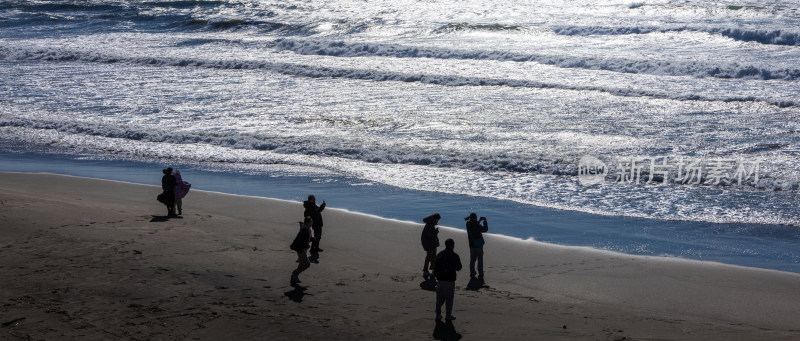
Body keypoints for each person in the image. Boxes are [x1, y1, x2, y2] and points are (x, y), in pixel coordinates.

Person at [434, 238, 462, 320]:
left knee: (439, 298)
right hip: (450, 280)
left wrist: (436, 276)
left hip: (440, 279)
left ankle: (438, 314)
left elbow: (435, 267)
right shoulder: (455, 256)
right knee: (449, 298)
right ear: (453, 246)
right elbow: (459, 267)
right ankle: (448, 315)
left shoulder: (439, 254)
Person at [465, 213, 488, 282]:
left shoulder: (468, 224)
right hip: (478, 245)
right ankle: (480, 273)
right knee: (480, 259)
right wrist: (485, 221)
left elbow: (474, 226)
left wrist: (479, 221)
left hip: (471, 244)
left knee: (472, 259)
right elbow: (485, 229)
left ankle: (472, 272)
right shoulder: (476, 224)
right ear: (475, 218)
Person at [290, 216, 314, 284]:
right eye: (311, 221)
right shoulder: (305, 229)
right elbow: (300, 240)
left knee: (301, 264)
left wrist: (313, 239)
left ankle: (294, 277)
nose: (312, 222)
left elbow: (307, 238)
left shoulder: (307, 229)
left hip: (302, 249)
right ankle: (294, 274)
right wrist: (307, 245)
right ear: (307, 222)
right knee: (307, 264)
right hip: (300, 249)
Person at [420, 213, 441, 280]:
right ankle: (425, 270)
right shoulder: (429, 225)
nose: (438, 221)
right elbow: (430, 236)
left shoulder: (431, 224)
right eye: (438, 220)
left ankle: (433, 270)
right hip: (429, 243)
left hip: (431, 243)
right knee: (429, 257)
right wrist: (436, 232)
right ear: (435, 219)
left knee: (433, 257)